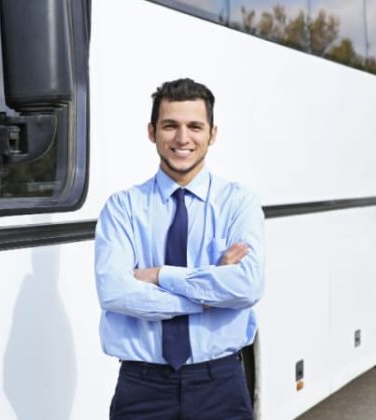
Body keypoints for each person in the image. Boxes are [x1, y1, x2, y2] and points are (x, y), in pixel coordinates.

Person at [95, 78, 265, 419]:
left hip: (220, 383)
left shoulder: (238, 204)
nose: (182, 138)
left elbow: (246, 286)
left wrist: (160, 275)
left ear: (212, 134)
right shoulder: (123, 207)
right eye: (170, 126)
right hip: (142, 386)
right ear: (151, 131)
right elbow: (114, 292)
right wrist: (211, 292)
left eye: (195, 126)